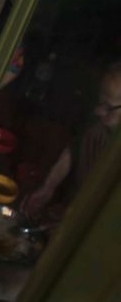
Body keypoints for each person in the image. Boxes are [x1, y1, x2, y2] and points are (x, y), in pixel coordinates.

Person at [21, 61, 121, 226]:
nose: (99, 111)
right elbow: (74, 150)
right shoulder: (99, 121)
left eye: (108, 107)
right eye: (100, 102)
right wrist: (48, 188)